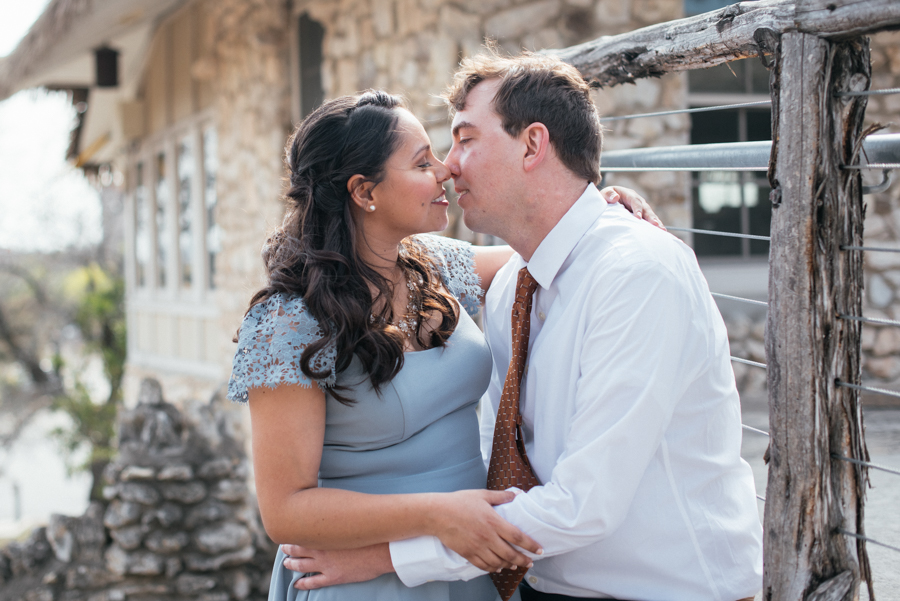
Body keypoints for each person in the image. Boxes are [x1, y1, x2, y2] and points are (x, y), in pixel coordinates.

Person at [282, 51, 763, 601]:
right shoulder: (514, 280)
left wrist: (387, 558)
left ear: (533, 144)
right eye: (436, 153)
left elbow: (585, 504)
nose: (448, 166)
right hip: (533, 582)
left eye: (464, 139)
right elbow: (499, 448)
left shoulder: (636, 273)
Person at [226, 89, 658, 601]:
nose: (445, 171)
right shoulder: (288, 321)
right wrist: (439, 513)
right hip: (364, 576)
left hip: (464, 558)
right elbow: (284, 511)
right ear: (366, 191)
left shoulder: (434, 264)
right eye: (420, 162)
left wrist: (601, 208)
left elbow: (550, 248)